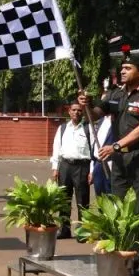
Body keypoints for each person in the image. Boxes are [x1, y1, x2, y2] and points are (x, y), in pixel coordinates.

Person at [79, 53, 139, 276]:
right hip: (119, 161)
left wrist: (115, 146)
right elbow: (97, 113)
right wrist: (87, 105)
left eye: (128, 68)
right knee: (119, 205)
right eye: (122, 68)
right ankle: (126, 252)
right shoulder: (116, 93)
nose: (123, 71)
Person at [49, 99, 94, 239]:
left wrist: (92, 170)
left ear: (83, 112)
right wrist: (55, 168)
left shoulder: (88, 128)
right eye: (73, 110)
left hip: (82, 166)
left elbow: (94, 150)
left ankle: (82, 231)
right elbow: (56, 148)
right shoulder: (62, 128)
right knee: (64, 200)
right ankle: (64, 229)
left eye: (79, 110)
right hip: (65, 166)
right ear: (69, 111)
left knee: (82, 200)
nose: (76, 112)